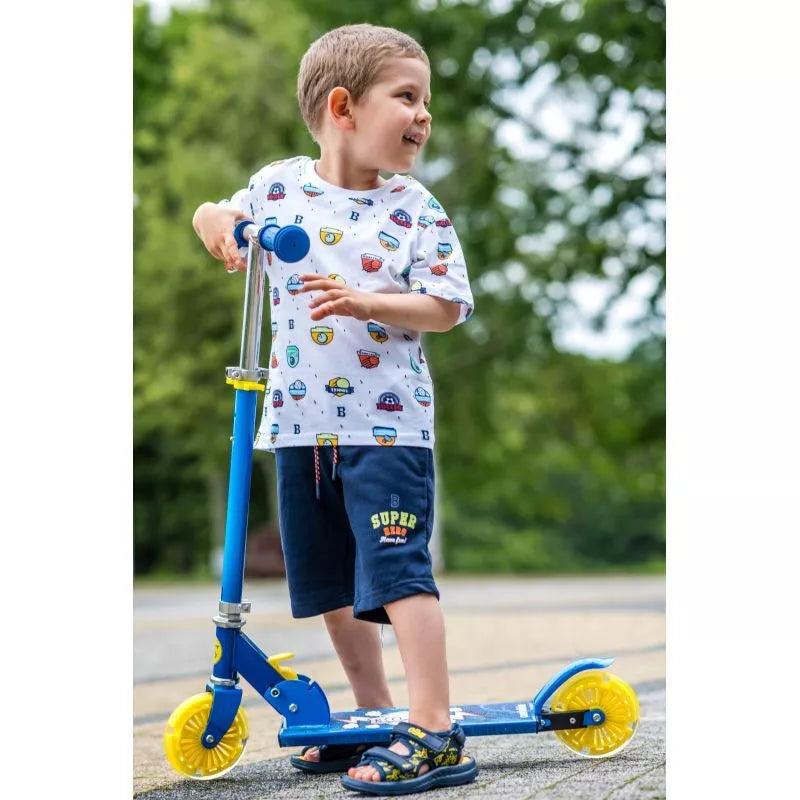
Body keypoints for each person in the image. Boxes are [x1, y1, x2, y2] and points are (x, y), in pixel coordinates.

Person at [192, 23, 477, 796]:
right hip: (299, 425)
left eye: (426, 100)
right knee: (329, 580)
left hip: (387, 429)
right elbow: (215, 212)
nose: (424, 115)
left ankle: (434, 728)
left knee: (398, 572)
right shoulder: (278, 187)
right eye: (408, 97)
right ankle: (373, 714)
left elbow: (448, 306)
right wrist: (219, 224)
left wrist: (367, 301)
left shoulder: (414, 207)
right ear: (344, 107)